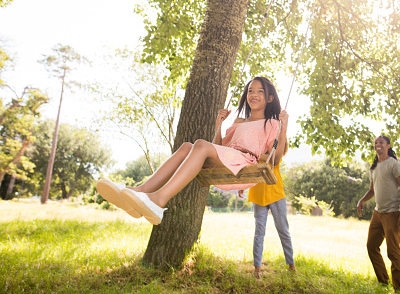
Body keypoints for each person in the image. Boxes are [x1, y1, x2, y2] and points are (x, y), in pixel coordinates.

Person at [96, 76, 289, 225]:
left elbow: (276, 159)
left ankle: (158, 199)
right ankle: (140, 192)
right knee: (188, 147)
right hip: (228, 158)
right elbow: (220, 146)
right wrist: (218, 124)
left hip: (244, 162)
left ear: (270, 97)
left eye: (260, 91)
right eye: (250, 90)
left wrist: (284, 126)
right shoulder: (239, 121)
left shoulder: (272, 123)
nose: (253, 94)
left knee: (199, 144)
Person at [356, 135, 400, 294]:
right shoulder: (373, 168)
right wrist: (361, 201)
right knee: (371, 246)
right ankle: (383, 282)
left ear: (388, 146)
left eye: (381, 142)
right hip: (378, 213)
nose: (378, 145)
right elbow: (372, 190)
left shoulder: (394, 165)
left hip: (393, 214)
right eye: (376, 143)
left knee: (393, 252)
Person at [238, 140, 296, 278]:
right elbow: (250, 169)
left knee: (283, 230)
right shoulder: (257, 153)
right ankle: (257, 270)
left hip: (276, 194)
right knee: (259, 233)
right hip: (258, 196)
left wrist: (253, 152)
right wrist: (242, 185)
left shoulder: (276, 153)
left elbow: (270, 158)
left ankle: (291, 265)